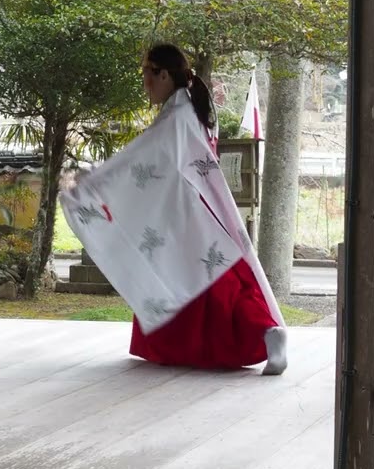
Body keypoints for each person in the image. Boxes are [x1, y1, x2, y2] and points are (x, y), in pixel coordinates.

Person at [60, 43, 287, 375]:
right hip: (194, 208)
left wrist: (93, 183)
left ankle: (264, 333)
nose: (145, 84)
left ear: (164, 74)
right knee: (212, 277)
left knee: (205, 281)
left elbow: (137, 159)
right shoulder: (191, 110)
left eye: (147, 76)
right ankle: (264, 333)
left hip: (184, 211)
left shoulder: (178, 115)